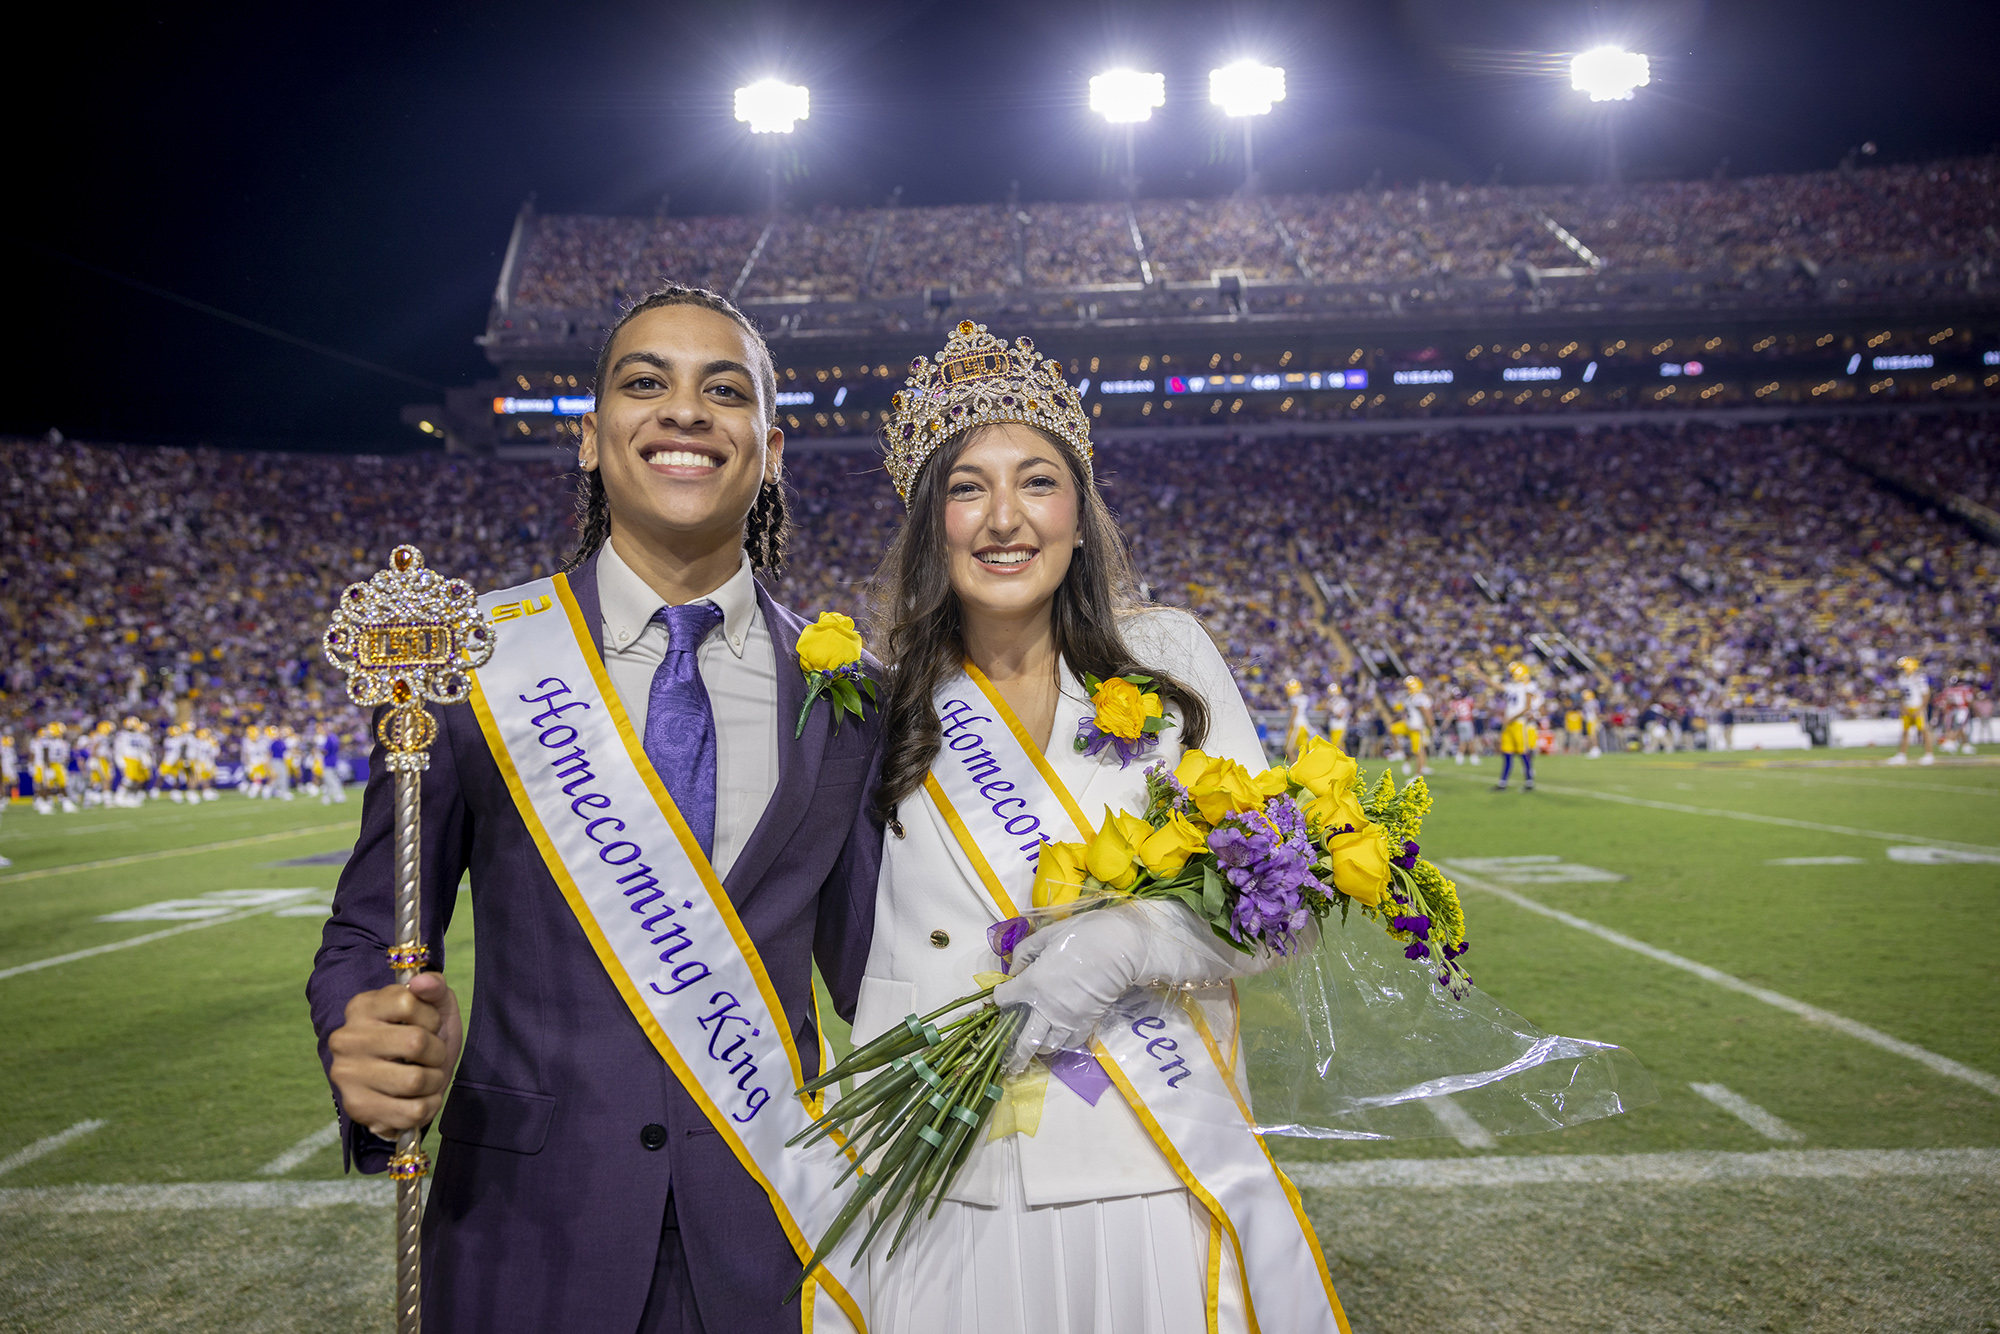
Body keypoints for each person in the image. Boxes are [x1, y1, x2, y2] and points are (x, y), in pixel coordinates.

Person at [310, 284, 885, 1334]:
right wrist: (360, 1030)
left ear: (772, 443)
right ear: (589, 438)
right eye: (643, 382)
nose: (682, 411)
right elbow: (368, 927)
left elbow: (882, 977)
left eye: (723, 388)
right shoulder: (473, 662)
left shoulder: (848, 694)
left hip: (776, 1245)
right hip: (524, 1240)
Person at [853, 320, 1349, 1333]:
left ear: (1078, 514)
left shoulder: (1164, 657)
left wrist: (1132, 940)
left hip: (1147, 1158)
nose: (1002, 517)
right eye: (963, 486)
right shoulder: (878, 696)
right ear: (929, 522)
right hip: (945, 1177)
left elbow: (1284, 897)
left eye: (1036, 480)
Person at [1494, 661, 1539, 792]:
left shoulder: (1528, 686)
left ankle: (1529, 781)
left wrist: (1510, 718)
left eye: (1512, 673)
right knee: (1506, 752)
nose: (1510, 675)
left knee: (1523, 752)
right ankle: (1503, 782)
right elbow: (1498, 687)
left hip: (1520, 723)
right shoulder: (1513, 686)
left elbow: (1527, 707)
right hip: (1510, 723)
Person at [1889, 656, 1934, 766]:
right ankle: (1902, 755)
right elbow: (1901, 696)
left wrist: (1920, 709)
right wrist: (1902, 707)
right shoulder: (1902, 678)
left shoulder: (1919, 677)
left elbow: (1926, 694)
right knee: (1905, 731)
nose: (1901, 669)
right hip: (1907, 707)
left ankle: (1929, 755)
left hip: (1917, 707)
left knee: (1924, 730)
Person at [1399, 674, 1435, 776]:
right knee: (1418, 749)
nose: (1406, 689)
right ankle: (1421, 767)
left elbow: (1427, 713)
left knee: (1418, 750)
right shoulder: (1410, 698)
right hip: (1411, 726)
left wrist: (1431, 726)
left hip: (1418, 727)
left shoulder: (1419, 698)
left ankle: (1418, 774)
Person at [1282, 677, 1319, 762]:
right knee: (1303, 751)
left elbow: (1294, 713)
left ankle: (1295, 770)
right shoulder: (1304, 698)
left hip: (1297, 725)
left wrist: (1289, 725)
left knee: (1289, 749)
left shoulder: (1294, 699)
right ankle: (1304, 770)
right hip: (1304, 725)